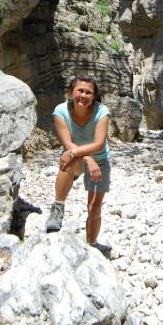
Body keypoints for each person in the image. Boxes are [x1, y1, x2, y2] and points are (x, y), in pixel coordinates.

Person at [46, 75, 111, 252]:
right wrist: (87, 159)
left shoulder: (102, 112)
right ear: (71, 92)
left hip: (100, 159)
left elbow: (98, 144)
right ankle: (58, 208)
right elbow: (68, 144)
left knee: (94, 207)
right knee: (67, 159)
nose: (83, 95)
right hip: (76, 155)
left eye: (88, 92)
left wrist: (90, 158)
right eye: (80, 90)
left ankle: (92, 244)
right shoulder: (61, 111)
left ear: (94, 96)